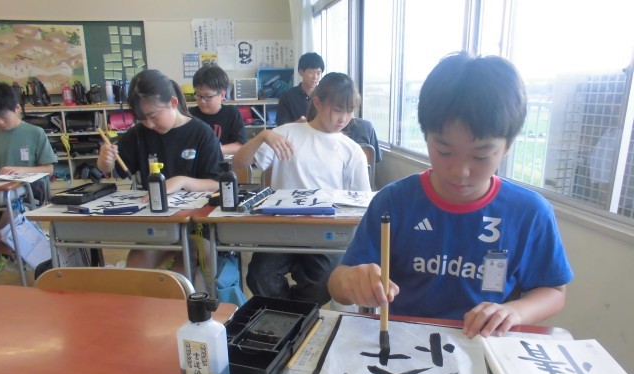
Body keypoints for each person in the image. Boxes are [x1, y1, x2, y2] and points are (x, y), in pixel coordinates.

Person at [328, 51, 574, 338]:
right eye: (444, 151)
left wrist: (515, 312)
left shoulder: (529, 213)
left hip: (482, 346)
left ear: (507, 146)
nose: (461, 172)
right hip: (402, 343)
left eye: (481, 156)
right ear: (426, 137)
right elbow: (337, 284)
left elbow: (554, 290)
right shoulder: (394, 202)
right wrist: (352, 282)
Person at [233, 72, 371, 305]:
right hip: (281, 229)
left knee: (322, 284)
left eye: (349, 111)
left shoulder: (351, 150)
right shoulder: (286, 133)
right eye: (338, 109)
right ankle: (290, 313)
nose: (343, 118)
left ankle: (293, 315)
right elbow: (239, 164)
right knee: (259, 277)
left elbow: (363, 201)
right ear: (318, 102)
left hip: (324, 233)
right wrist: (262, 136)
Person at [97, 69, 223, 271]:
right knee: (136, 266)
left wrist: (181, 181)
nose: (149, 124)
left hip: (198, 226)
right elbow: (113, 170)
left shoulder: (202, 133)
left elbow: (216, 183)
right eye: (142, 119)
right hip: (158, 226)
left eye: (153, 116)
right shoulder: (139, 134)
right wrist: (105, 161)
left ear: (173, 103)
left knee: (184, 270)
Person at [0, 80, 57, 273]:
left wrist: (20, 170)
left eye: (3, 117)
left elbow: (49, 169)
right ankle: (12, 251)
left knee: (6, 224)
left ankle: (15, 252)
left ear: (17, 108)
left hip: (28, 195)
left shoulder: (35, 133)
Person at [190, 64, 246, 156]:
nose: (202, 101)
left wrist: (211, 150)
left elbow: (240, 145)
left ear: (222, 95)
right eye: (198, 95)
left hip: (223, 161)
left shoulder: (232, 113)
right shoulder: (190, 115)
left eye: (208, 96)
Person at [276, 52, 325, 126]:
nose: (315, 77)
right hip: (295, 133)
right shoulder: (287, 97)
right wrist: (298, 124)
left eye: (318, 73)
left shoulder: (325, 96)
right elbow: (281, 126)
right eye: (311, 72)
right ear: (301, 72)